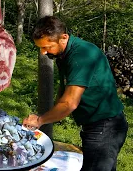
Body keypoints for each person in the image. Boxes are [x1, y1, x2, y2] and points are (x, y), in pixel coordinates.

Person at [23, 16, 128, 171]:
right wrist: (49, 114)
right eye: (40, 47)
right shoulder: (62, 55)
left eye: (47, 47)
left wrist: (40, 120)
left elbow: (70, 103)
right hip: (96, 126)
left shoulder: (82, 55)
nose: (43, 52)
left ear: (63, 37)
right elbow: (65, 89)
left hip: (105, 127)